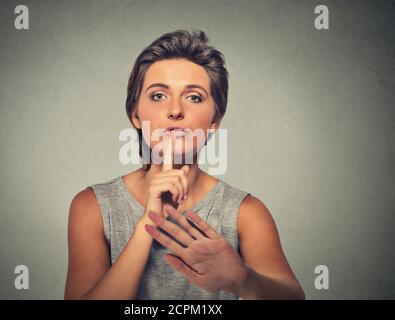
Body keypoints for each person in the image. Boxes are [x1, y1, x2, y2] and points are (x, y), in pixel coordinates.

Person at [64, 29, 305, 300]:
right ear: (135, 114)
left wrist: (243, 280)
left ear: (214, 120)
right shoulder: (92, 206)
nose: (175, 110)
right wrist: (148, 223)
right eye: (158, 96)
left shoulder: (246, 213)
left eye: (194, 97)